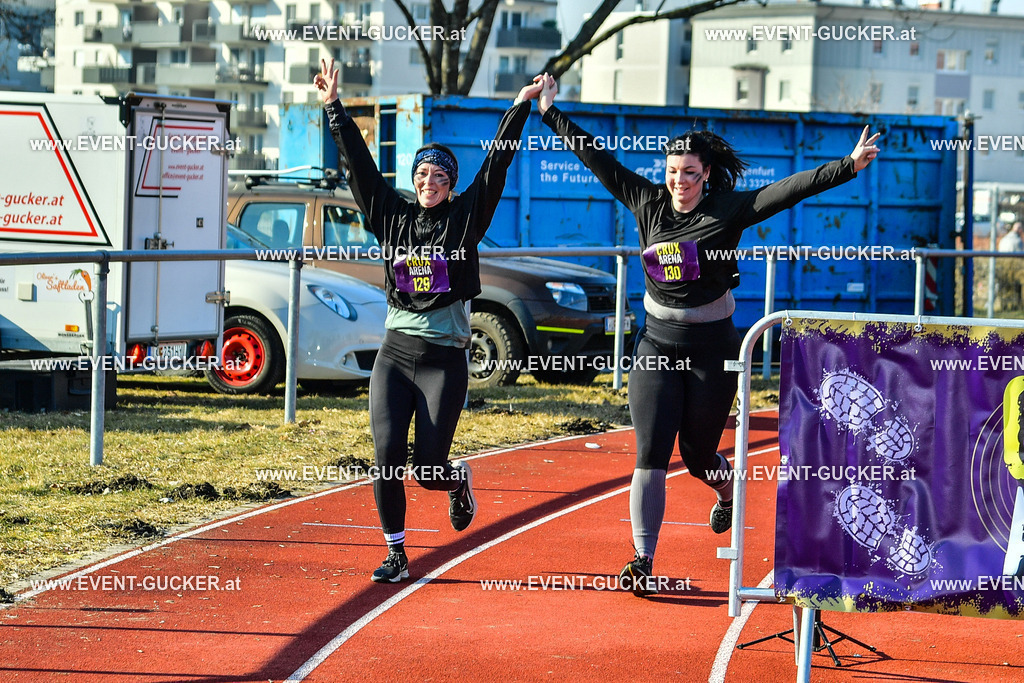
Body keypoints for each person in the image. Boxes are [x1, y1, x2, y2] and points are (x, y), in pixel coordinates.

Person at [534, 73, 881, 596]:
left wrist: (847, 167)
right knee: (651, 451)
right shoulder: (647, 201)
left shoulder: (728, 210)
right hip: (655, 343)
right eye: (673, 172)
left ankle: (724, 492)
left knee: (698, 455)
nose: (680, 182)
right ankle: (642, 558)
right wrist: (548, 112)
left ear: (706, 174)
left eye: (690, 174)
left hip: (712, 347)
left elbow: (785, 191)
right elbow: (597, 159)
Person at [314, 59, 542, 584]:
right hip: (394, 355)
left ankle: (456, 481)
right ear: (413, 179)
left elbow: (496, 169)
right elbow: (360, 168)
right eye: (422, 174)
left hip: (444, 360)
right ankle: (396, 552)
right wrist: (333, 107)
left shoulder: (466, 218)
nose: (429, 182)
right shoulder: (391, 215)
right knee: (387, 458)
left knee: (428, 468)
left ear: (450, 184)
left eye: (440, 176)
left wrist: (519, 106)